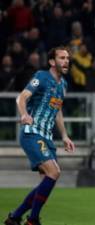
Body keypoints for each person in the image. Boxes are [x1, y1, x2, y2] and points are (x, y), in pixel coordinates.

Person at [4, 46, 75, 225]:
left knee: (46, 182)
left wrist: (65, 136)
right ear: (52, 62)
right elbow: (21, 97)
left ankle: (14, 217)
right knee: (54, 172)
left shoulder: (63, 84)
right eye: (62, 58)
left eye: (67, 58)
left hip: (47, 137)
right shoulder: (41, 77)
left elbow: (57, 110)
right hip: (32, 133)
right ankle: (33, 220)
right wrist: (24, 114)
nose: (66, 61)